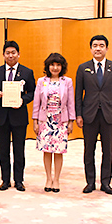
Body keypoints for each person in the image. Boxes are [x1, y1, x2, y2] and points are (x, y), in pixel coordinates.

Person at [75, 35, 112, 195]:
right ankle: (90, 182)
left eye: (101, 45)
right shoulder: (83, 68)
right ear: (90, 49)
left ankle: (106, 183)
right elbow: (78, 94)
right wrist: (78, 114)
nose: (98, 48)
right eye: (95, 45)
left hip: (109, 115)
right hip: (88, 115)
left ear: (107, 49)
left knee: (108, 150)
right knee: (89, 150)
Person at [0, 40, 35, 191]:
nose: (10, 55)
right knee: (3, 149)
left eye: (13, 53)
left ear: (18, 54)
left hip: (19, 116)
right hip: (1, 117)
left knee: (19, 149)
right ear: (3, 55)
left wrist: (23, 100)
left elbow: (33, 92)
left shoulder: (27, 72)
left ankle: (19, 180)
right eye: (7, 53)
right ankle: (5, 180)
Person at [32, 53, 75, 193]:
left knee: (58, 151)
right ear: (48, 66)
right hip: (45, 120)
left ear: (62, 67)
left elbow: (70, 103)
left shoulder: (67, 81)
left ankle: (56, 179)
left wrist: (71, 122)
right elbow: (36, 103)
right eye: (52, 65)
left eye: (58, 65)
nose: (55, 68)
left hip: (61, 121)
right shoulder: (41, 81)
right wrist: (35, 121)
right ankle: (48, 178)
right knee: (46, 150)